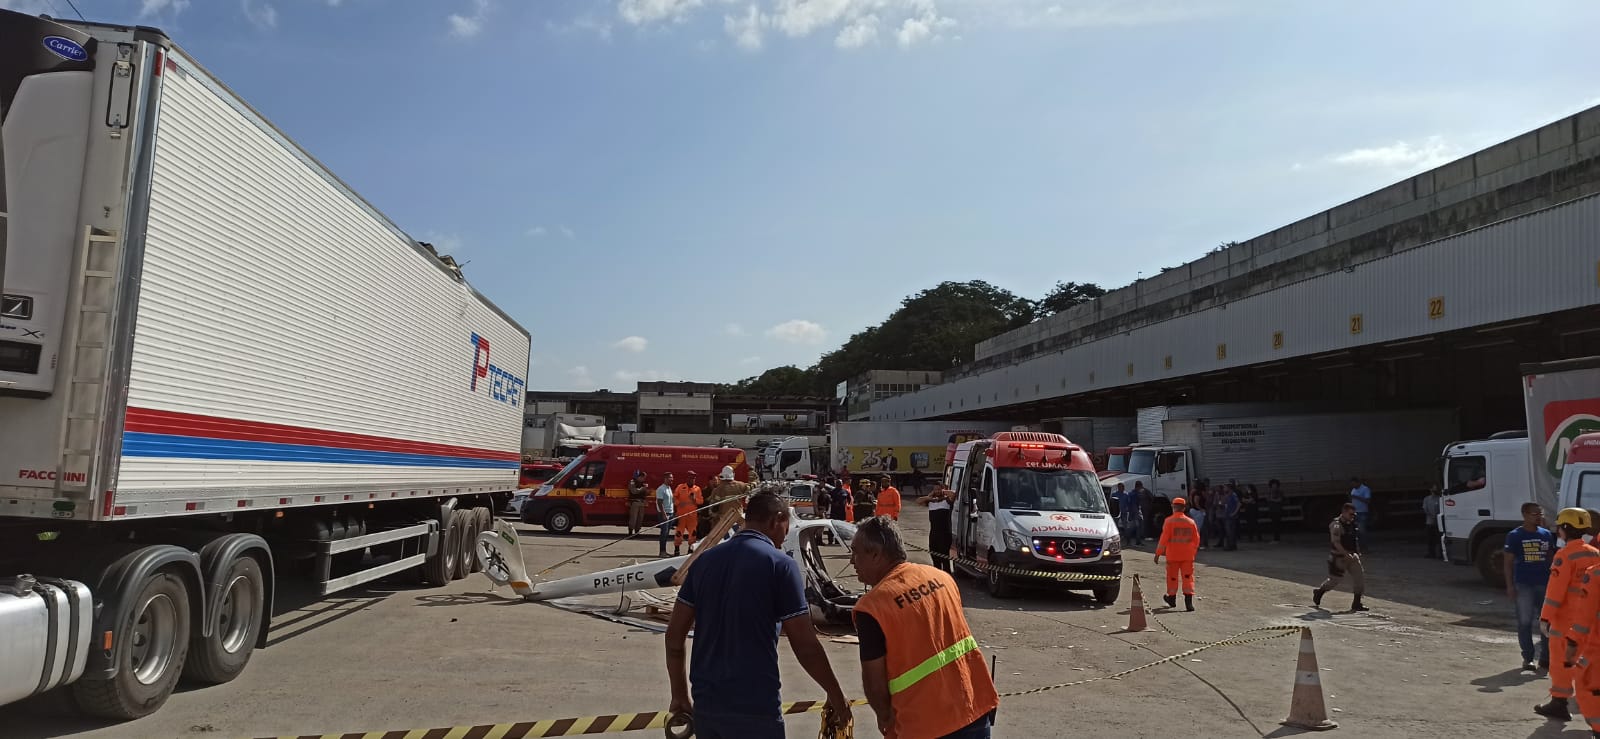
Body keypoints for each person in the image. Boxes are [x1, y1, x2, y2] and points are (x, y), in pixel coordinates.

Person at [665, 493, 851, 738]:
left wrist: (679, 695)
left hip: (708, 705)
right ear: (777, 519)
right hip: (756, 707)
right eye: (786, 526)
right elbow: (805, 645)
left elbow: (674, 636)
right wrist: (837, 696)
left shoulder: (703, 562)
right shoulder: (780, 565)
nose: (786, 535)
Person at [851, 516, 998, 739]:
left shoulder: (872, 607)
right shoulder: (942, 578)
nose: (852, 560)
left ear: (876, 554)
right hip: (973, 707)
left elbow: (875, 683)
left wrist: (885, 718)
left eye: (856, 552)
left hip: (923, 725)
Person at [1536, 508, 1600, 721]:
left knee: (1562, 662)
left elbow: (1555, 591)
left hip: (1565, 621)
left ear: (1565, 528)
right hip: (1588, 620)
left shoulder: (1564, 555)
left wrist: (1545, 617)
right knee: (1587, 662)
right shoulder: (1594, 553)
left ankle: (1559, 702)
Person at [1504, 502, 1555, 672]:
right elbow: (1508, 563)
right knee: (1525, 622)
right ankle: (1528, 658)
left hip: (1544, 584)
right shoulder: (1515, 535)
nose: (1538, 516)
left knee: (1546, 623)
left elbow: (1551, 560)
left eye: (1540, 513)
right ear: (1524, 514)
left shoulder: (1546, 534)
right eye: (1534, 514)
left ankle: (1545, 659)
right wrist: (1510, 585)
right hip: (1524, 585)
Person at [1313, 503, 1367, 612]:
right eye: (1350, 514)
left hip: (1352, 556)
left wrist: (1357, 552)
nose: (1353, 516)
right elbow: (1336, 542)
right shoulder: (1336, 525)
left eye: (1353, 514)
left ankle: (1356, 603)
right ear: (1343, 512)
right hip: (1339, 557)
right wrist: (1345, 554)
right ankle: (1319, 592)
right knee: (1334, 581)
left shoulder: (1351, 523)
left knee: (1359, 579)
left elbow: (1353, 538)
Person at [1154, 496, 1200, 611]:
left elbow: (1163, 539)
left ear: (1173, 507)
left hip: (1173, 555)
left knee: (1172, 578)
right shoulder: (1191, 522)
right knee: (1188, 578)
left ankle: (1172, 599)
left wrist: (1158, 554)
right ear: (1184, 508)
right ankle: (1189, 604)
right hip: (1187, 556)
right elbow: (1196, 539)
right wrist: (1192, 551)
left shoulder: (1169, 521)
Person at [699, 466, 752, 539]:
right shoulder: (740, 485)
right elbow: (750, 488)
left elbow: (713, 508)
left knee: (719, 539)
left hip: (723, 520)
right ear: (732, 474)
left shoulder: (718, 489)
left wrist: (713, 516)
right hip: (738, 518)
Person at [919, 484, 956, 573]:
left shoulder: (947, 501)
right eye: (935, 489)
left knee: (944, 558)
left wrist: (942, 491)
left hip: (944, 534)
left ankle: (947, 575)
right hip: (933, 534)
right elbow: (918, 501)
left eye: (939, 489)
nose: (937, 491)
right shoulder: (931, 502)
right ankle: (937, 575)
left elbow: (953, 494)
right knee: (934, 556)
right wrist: (930, 496)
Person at [673, 471, 703, 556]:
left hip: (692, 516)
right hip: (681, 515)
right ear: (687, 478)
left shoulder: (697, 489)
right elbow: (674, 497)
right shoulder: (680, 487)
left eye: (694, 478)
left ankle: (690, 551)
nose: (692, 480)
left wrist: (694, 500)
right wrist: (678, 503)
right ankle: (677, 550)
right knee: (679, 533)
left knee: (692, 534)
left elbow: (701, 501)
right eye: (690, 478)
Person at [656, 472, 676, 557]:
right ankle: (662, 552)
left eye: (672, 478)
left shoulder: (669, 488)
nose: (672, 479)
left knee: (667, 533)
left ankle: (665, 551)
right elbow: (660, 503)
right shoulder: (661, 489)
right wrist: (664, 514)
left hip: (670, 513)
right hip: (664, 514)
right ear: (665, 478)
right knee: (664, 533)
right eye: (670, 478)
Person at [627, 470, 651, 537]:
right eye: (643, 477)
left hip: (642, 503)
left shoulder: (643, 484)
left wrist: (648, 491)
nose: (644, 479)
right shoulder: (632, 482)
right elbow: (634, 491)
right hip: (635, 502)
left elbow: (644, 493)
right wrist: (643, 488)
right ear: (639, 477)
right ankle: (630, 533)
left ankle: (637, 532)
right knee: (633, 518)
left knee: (640, 519)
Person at [1422, 486, 1443, 559]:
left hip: (1438, 522)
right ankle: (1431, 553)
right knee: (1430, 539)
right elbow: (1425, 509)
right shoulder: (1426, 499)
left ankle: (1441, 554)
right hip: (1429, 522)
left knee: (1439, 539)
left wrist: (1436, 516)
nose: (1434, 490)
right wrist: (1432, 516)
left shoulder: (1440, 499)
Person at [1221, 484, 1240, 551]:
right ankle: (1231, 544)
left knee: (1230, 531)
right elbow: (1224, 503)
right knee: (1228, 531)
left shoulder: (1233, 495)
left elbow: (1238, 504)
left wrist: (1234, 513)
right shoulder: (1227, 495)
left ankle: (1231, 545)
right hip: (1227, 515)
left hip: (1231, 515)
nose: (1224, 489)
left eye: (1225, 488)